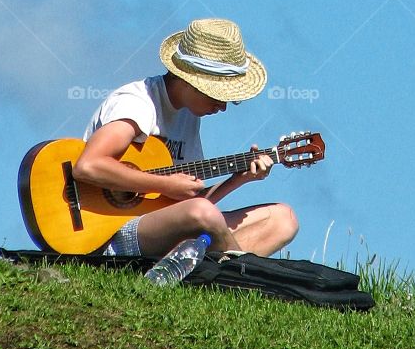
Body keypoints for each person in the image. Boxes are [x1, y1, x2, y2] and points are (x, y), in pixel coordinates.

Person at [73, 17, 299, 260]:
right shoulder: (137, 103)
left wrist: (239, 179)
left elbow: (188, 203)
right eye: (217, 95)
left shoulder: (188, 116)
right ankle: (240, 277)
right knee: (202, 212)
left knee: (283, 219)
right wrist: (164, 184)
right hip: (108, 232)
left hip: (165, 231)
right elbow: (88, 166)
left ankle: (211, 270)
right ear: (189, 81)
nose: (222, 106)